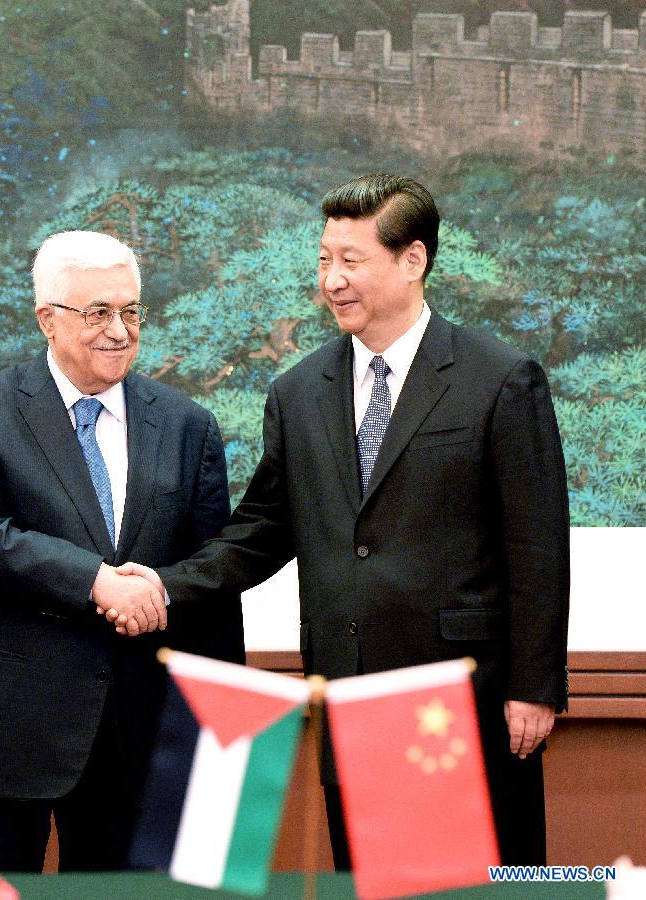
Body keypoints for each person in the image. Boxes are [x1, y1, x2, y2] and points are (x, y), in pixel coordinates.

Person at [119, 175, 570, 866]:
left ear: (412, 260)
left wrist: (531, 690)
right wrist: (161, 584)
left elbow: (537, 548)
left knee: (478, 887)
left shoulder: (500, 379)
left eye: (350, 261)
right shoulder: (297, 392)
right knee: (366, 881)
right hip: (350, 696)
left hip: (462, 701)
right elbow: (260, 531)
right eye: (323, 260)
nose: (332, 280)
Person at [0, 230, 244, 873]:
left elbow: (212, 575)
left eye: (131, 311)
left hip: (139, 737)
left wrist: (221, 723)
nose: (120, 330)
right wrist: (97, 582)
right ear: (47, 318)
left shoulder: (188, 425)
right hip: (7, 728)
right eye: (98, 312)